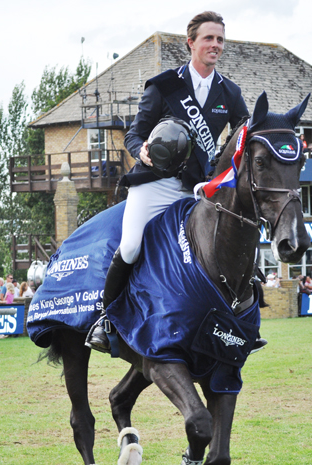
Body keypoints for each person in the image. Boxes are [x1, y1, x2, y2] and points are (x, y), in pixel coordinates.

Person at [86, 11, 250, 353]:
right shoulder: (164, 85)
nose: (215, 45)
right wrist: (141, 151)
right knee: (131, 246)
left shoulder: (230, 94)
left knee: (230, 241)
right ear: (191, 43)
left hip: (197, 190)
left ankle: (238, 321)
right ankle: (107, 319)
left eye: (220, 39)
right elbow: (134, 134)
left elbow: (244, 136)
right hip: (155, 184)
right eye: (208, 38)